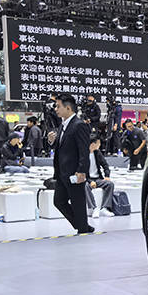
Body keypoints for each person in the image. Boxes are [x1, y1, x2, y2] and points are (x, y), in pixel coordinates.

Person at [47, 94, 93, 234]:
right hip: (62, 172)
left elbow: (84, 151)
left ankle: (83, 230)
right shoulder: (63, 125)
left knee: (78, 203)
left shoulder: (79, 125)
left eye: (58, 106)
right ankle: (82, 225)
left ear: (68, 108)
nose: (56, 109)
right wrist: (51, 142)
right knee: (59, 201)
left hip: (74, 172)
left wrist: (82, 171)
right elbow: (62, 147)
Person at [84, 135, 116, 218]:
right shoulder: (83, 154)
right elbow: (81, 171)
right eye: (98, 143)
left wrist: (107, 176)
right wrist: (90, 181)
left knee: (110, 184)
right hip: (87, 179)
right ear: (93, 144)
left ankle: (105, 208)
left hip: (98, 178)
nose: (100, 145)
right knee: (85, 186)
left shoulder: (97, 153)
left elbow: (105, 165)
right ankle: (93, 208)